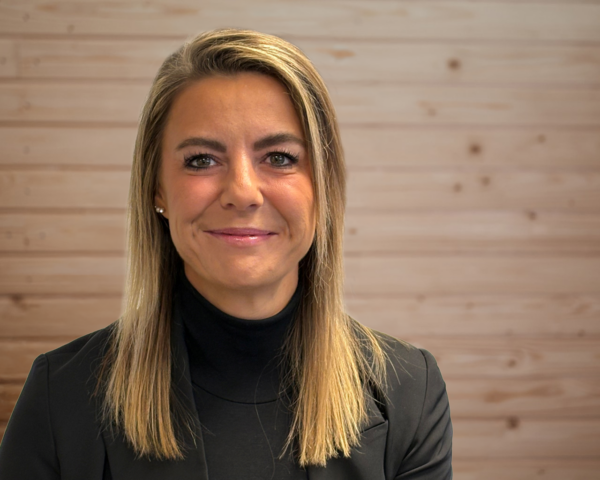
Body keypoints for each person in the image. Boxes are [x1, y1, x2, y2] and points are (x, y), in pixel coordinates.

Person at [0, 29, 452, 479]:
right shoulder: (60, 397)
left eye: (279, 157)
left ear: (323, 184)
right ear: (157, 188)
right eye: (201, 159)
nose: (242, 192)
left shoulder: (408, 393)